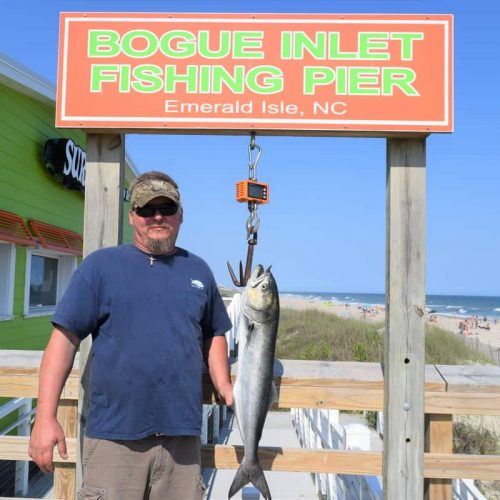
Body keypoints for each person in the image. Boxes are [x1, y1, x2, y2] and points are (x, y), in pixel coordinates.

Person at [28, 171, 233, 499]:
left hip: (182, 440)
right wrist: (45, 418)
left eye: (167, 208)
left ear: (181, 215)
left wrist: (223, 383)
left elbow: (215, 333)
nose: (157, 216)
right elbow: (63, 343)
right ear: (132, 216)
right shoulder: (99, 268)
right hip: (114, 439)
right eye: (146, 209)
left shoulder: (199, 271)